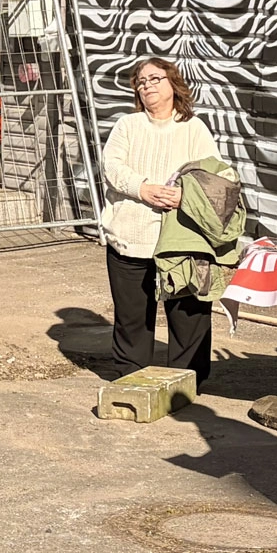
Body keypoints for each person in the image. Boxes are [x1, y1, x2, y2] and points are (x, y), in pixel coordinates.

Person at [99, 58, 221, 384]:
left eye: (155, 78)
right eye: (140, 81)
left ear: (173, 84)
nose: (147, 85)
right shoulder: (128, 125)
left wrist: (185, 196)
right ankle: (132, 381)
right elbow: (111, 167)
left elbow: (214, 176)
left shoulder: (193, 129)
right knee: (132, 320)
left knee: (189, 317)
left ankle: (186, 383)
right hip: (131, 237)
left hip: (182, 241)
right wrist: (143, 188)